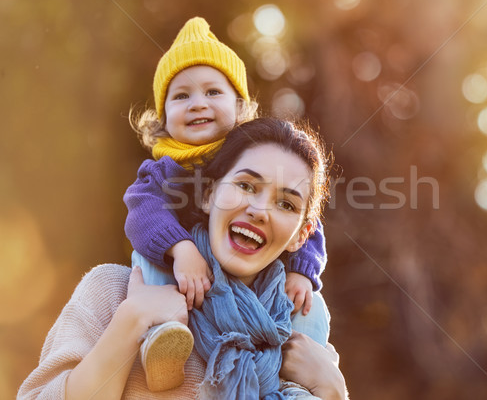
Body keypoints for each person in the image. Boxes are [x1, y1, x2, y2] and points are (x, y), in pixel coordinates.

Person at [18, 118, 347, 399]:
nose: (259, 211)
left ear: (301, 237)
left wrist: (332, 390)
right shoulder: (114, 291)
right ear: (208, 195)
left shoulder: (301, 326)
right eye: (246, 185)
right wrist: (130, 323)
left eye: (286, 204)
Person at [124, 18, 330, 389]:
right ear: (163, 116)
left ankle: (304, 374)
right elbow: (143, 212)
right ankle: (162, 342)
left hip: (242, 279)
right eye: (181, 96)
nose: (197, 104)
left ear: (239, 106)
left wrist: (302, 269)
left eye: (212, 92)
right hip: (177, 268)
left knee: (306, 302)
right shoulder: (164, 169)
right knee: (147, 266)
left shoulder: (258, 152)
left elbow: (307, 220)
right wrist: (181, 248)